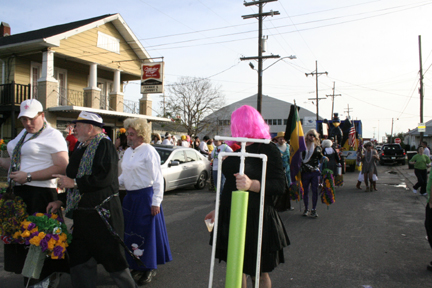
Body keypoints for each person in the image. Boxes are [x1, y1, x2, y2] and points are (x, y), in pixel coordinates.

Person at [48, 111, 137, 288]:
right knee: (80, 260)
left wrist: (74, 183)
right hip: (84, 217)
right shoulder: (81, 148)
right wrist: (61, 200)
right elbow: (74, 182)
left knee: (113, 259)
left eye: (78, 126)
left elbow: (105, 178)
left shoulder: (105, 146)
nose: (74, 129)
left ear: (90, 128)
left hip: (102, 216)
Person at [205, 105, 290, 288]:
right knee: (237, 269)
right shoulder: (237, 150)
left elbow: (280, 185)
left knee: (258, 272)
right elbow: (229, 187)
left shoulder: (268, 149)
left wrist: (253, 185)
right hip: (234, 215)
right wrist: (218, 210)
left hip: (257, 217)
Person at [0, 99, 69, 286]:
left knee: (39, 241)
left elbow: (62, 166)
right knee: (22, 241)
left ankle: (45, 280)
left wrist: (29, 176)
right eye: (23, 119)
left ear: (42, 115)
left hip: (40, 194)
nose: (27, 123)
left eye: (31, 119)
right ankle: (32, 280)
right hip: (20, 193)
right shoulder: (24, 134)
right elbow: (17, 164)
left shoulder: (52, 135)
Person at [118, 118, 172, 285]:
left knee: (146, 235)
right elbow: (124, 176)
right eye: (128, 133)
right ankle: (135, 265)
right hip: (130, 198)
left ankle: (149, 268)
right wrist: (112, 183)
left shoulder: (149, 151)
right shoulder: (127, 152)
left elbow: (157, 179)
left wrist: (156, 201)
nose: (128, 136)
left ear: (141, 135)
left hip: (145, 198)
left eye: (132, 133)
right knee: (131, 232)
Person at [302, 129, 327, 218]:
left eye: (314, 135)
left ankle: (314, 209)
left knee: (315, 191)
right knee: (305, 191)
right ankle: (306, 209)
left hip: (314, 172)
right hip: (305, 172)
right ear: (307, 136)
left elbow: (320, 156)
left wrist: (324, 157)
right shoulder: (302, 146)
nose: (312, 137)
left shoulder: (317, 148)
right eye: (310, 135)